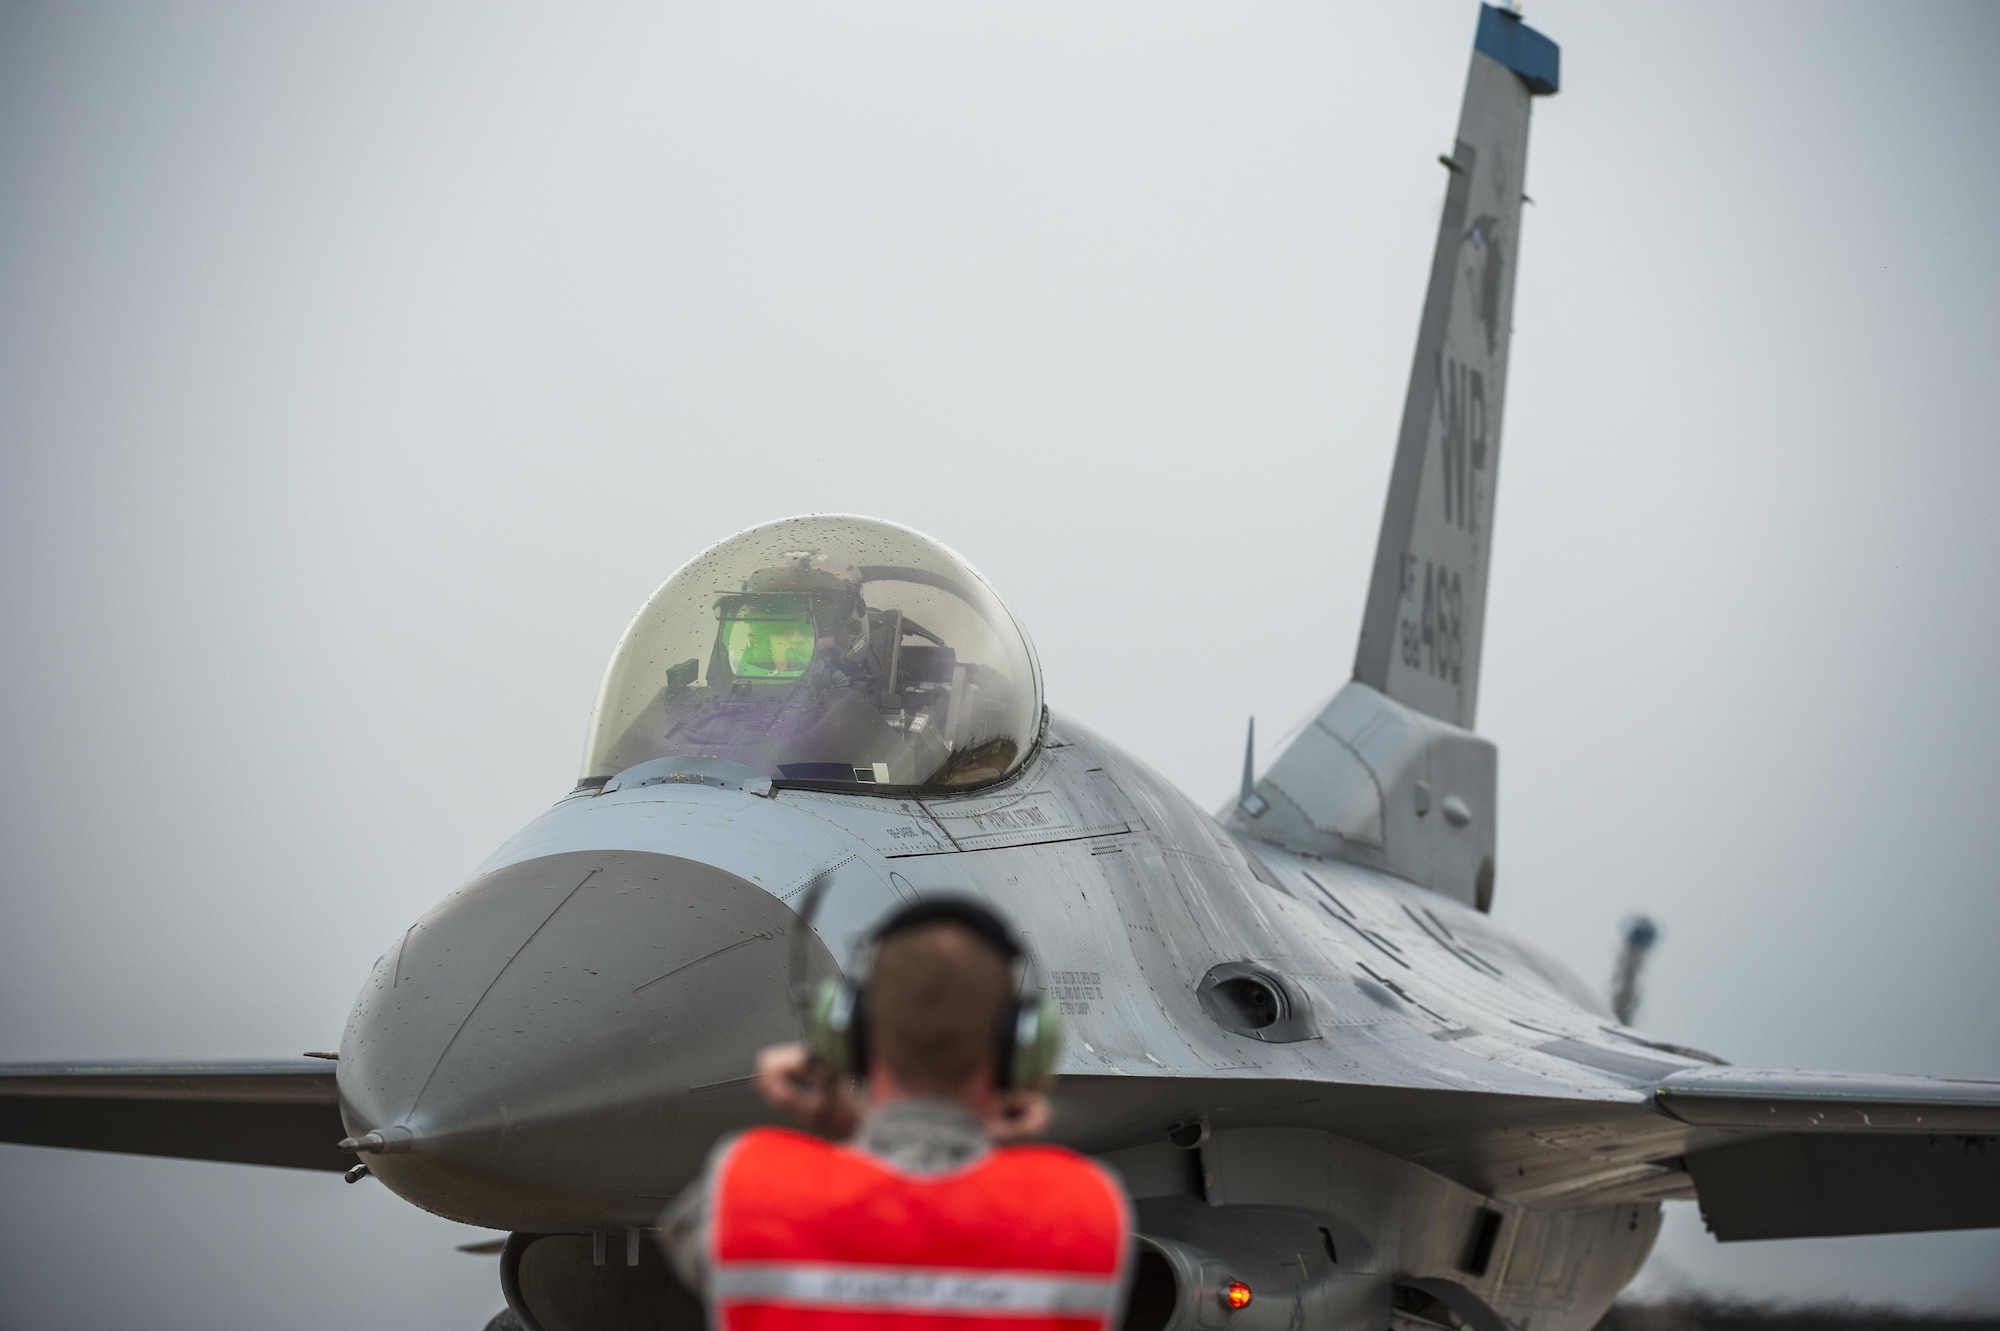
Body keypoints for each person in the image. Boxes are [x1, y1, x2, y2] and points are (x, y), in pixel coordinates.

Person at [657, 899, 1133, 1329]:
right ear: (1020, 1049)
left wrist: (845, 1120)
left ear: (849, 1037)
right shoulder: (1084, 1210)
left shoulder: (748, 1190)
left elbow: (681, 1232)